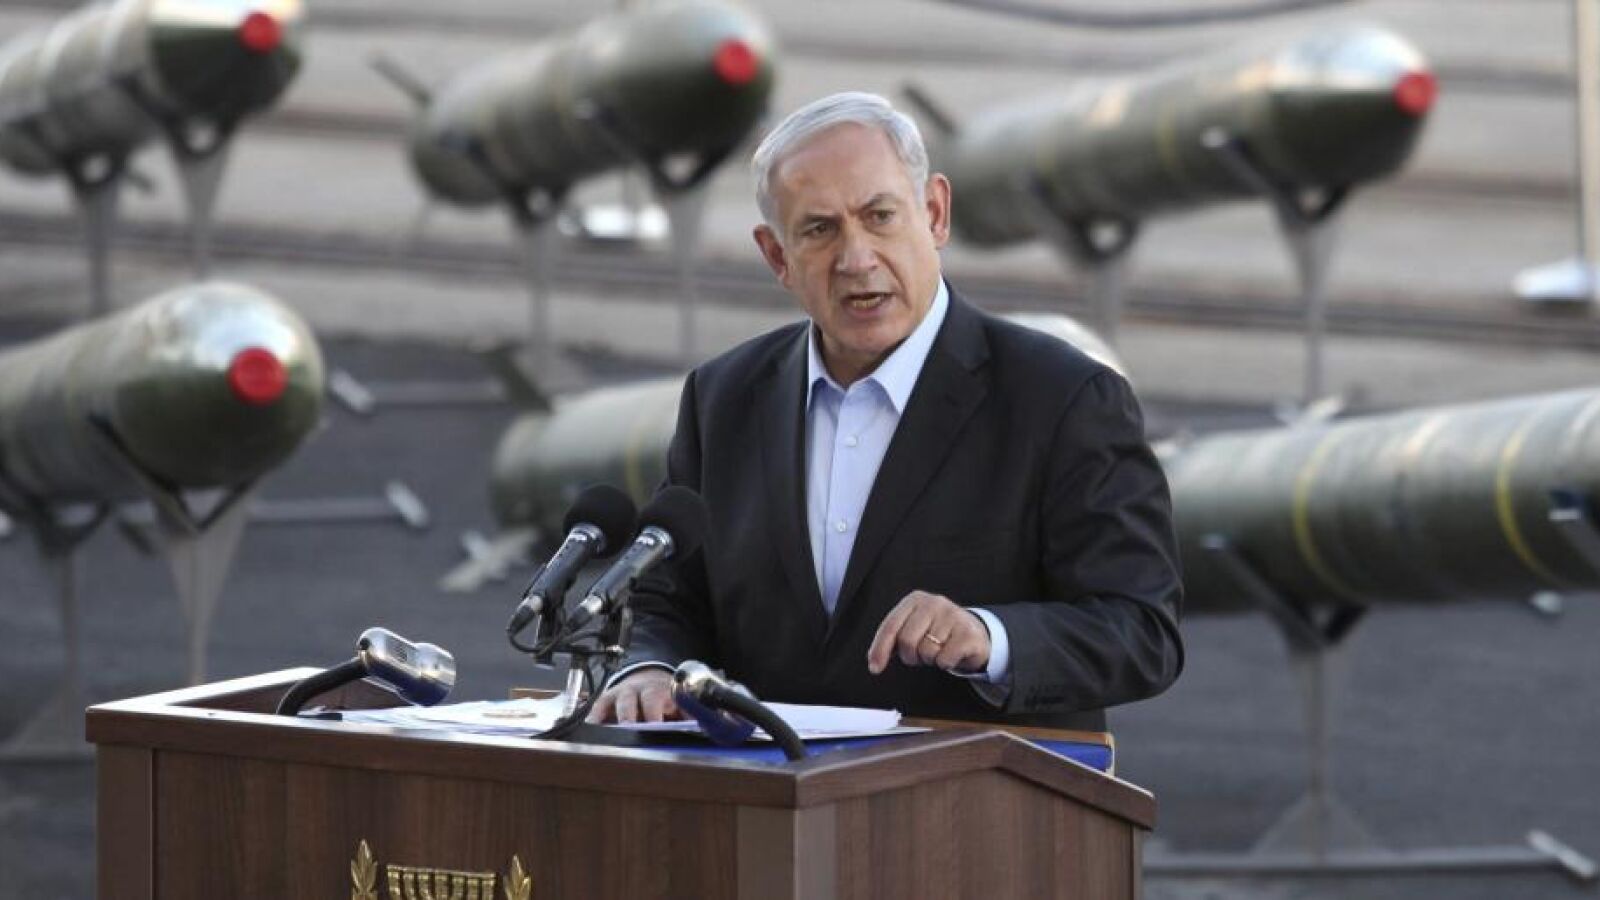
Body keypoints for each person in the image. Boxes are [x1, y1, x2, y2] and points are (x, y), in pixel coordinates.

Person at [589, 92, 1183, 731]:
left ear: (935, 213)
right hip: (764, 787)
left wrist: (990, 636)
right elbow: (667, 599)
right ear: (777, 256)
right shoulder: (723, 398)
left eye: (879, 216)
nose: (857, 258)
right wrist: (647, 667)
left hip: (971, 790)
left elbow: (1141, 629)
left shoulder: (1063, 398)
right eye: (820, 230)